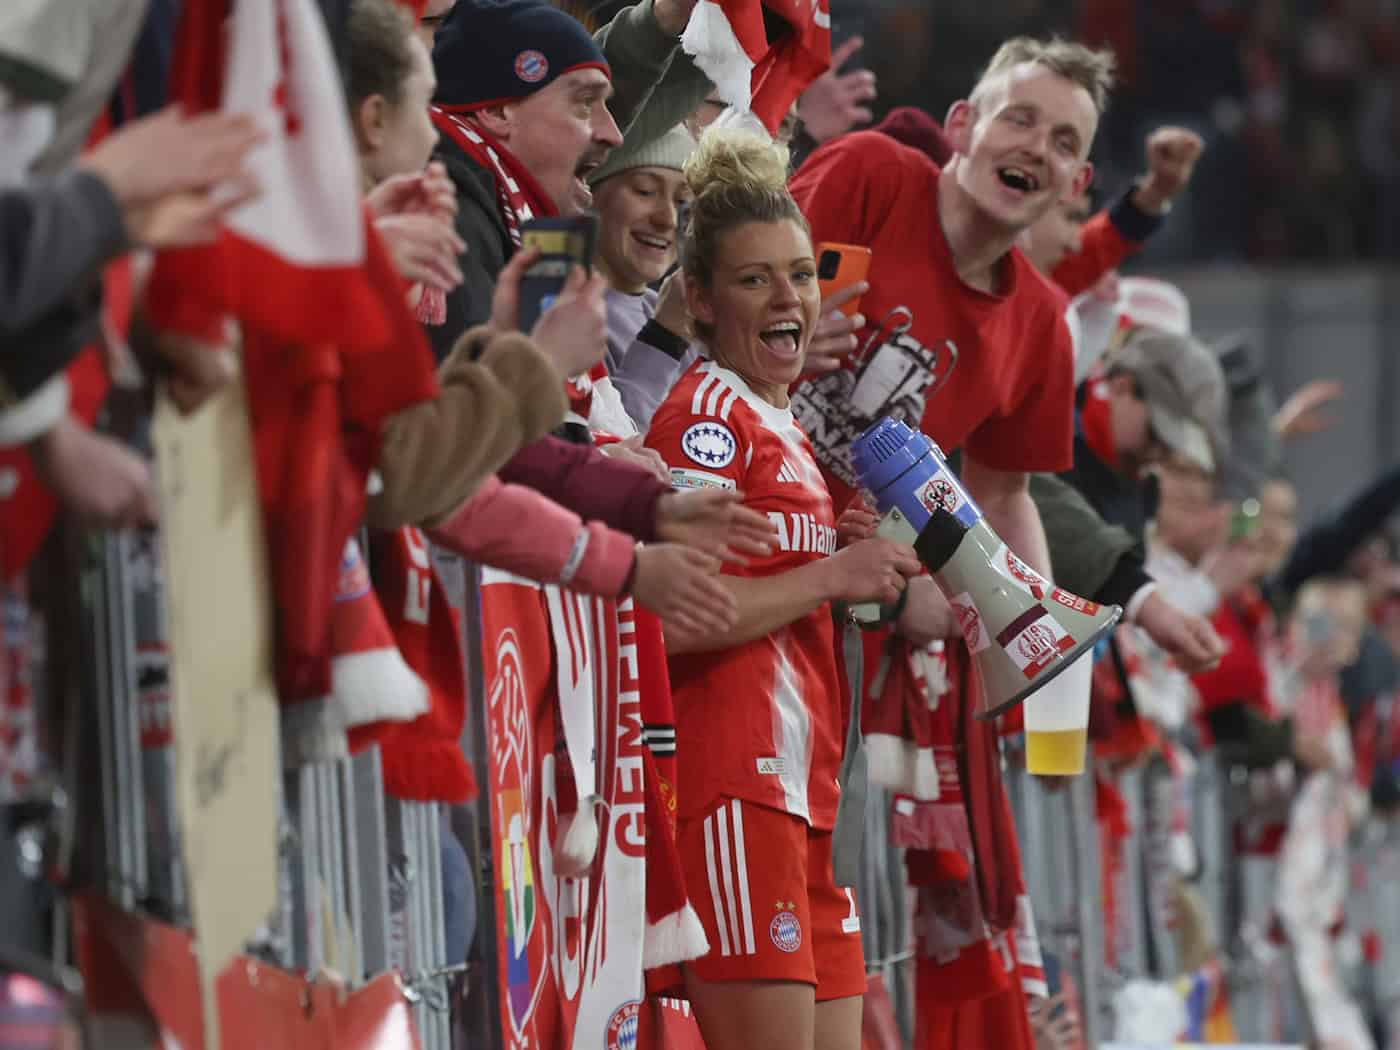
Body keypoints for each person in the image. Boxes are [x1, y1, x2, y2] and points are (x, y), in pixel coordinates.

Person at [644, 129, 921, 1050]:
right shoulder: (706, 422)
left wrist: (840, 573)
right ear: (699, 299)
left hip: (805, 800)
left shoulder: (785, 428)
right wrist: (828, 574)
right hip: (734, 790)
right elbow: (670, 620)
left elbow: (783, 587)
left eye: (800, 274)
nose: (788, 297)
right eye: (755, 278)